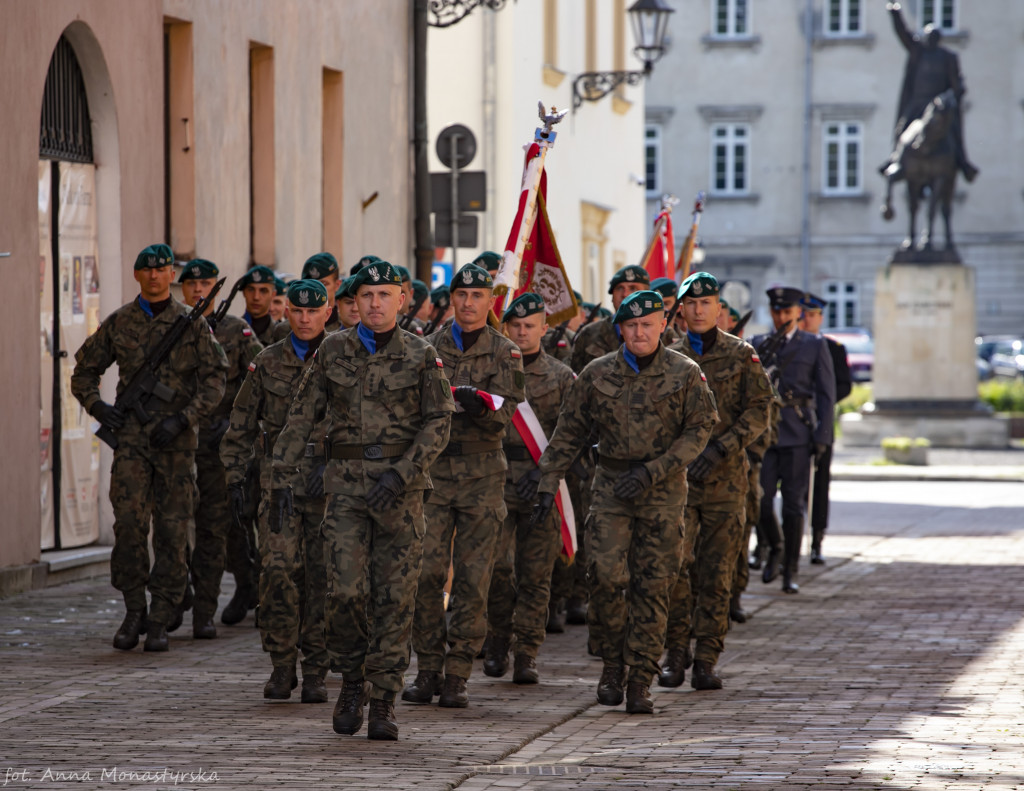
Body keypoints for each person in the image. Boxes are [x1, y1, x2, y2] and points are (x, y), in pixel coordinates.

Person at [270, 262, 454, 739]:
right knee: (346, 593)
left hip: (400, 494)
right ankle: (353, 681)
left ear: (401, 300)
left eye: (384, 294)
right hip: (347, 491)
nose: (374, 303)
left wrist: (403, 473)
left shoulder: (421, 354)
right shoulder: (333, 350)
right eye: (366, 294)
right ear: (355, 301)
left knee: (396, 598)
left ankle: (385, 699)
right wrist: (279, 480)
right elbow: (301, 416)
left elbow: (439, 423)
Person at [529, 290, 717, 714]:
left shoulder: (685, 372)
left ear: (662, 326)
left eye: (647, 325)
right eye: (631, 325)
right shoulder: (596, 374)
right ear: (620, 329)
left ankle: (640, 678)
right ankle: (612, 664)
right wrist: (547, 482)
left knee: (653, 586)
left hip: (663, 492)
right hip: (611, 487)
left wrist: (653, 471)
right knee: (607, 578)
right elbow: (569, 432)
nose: (639, 333)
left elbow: (699, 432)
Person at [71, 243, 227, 652]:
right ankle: (134, 609)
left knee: (174, 534)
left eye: (163, 270)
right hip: (133, 443)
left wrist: (184, 417)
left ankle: (161, 616)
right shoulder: (120, 322)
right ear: (138, 275)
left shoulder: (191, 324)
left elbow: (216, 378)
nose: (156, 275)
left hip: (176, 445)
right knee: (128, 528)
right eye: (148, 269)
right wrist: (99, 407)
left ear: (169, 277)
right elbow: (83, 372)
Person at [403, 263, 525, 709]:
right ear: (451, 299)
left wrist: (478, 405)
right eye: (462, 296)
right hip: (433, 477)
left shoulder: (506, 352)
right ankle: (428, 670)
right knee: (426, 575)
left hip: (481, 477)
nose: (469, 304)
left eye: (478, 297)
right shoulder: (424, 348)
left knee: (474, 580)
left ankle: (457, 674)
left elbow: (505, 415)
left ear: (490, 302)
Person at [221, 279, 331, 702]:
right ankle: (282, 665)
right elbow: (242, 423)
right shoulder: (267, 362)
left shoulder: (344, 360)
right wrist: (234, 477)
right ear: (288, 313)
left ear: (328, 312)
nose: (304, 319)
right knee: (280, 574)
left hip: (328, 487)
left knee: (323, 577)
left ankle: (317, 669)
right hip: (278, 485)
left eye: (313, 311)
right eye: (297, 312)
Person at [661, 273, 772, 691]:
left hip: (725, 481)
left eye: (707, 302)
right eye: (691, 303)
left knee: (717, 572)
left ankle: (706, 658)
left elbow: (760, 412)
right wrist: (685, 455)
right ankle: (675, 652)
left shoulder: (742, 355)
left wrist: (721, 448)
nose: (699, 309)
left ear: (718, 308)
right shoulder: (667, 356)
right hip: (680, 482)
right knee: (675, 568)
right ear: (682, 309)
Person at [484, 293, 575, 685]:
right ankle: (497, 638)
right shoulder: (491, 370)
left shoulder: (561, 376)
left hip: (543, 482)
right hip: (496, 480)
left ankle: (527, 653)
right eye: (515, 326)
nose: (522, 333)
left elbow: (569, 434)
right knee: (498, 568)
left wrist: (545, 475)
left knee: (536, 573)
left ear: (544, 328)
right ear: (506, 328)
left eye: (529, 326)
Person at [177, 259, 263, 638]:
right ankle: (173, 595)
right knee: (173, 527)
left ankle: (204, 611)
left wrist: (236, 424)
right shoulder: (173, 327)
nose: (198, 291)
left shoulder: (236, 330)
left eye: (206, 284)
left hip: (216, 445)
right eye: (191, 285)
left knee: (215, 527)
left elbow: (260, 381)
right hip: (175, 442)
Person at [750, 287, 836, 593]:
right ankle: (774, 546)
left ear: (798, 313)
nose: (782, 318)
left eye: (788, 312)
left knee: (793, 506)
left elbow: (827, 394)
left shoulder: (813, 345)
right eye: (777, 312)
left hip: (798, 433)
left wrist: (823, 435)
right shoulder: (758, 344)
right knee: (759, 501)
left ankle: (790, 569)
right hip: (765, 435)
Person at [883, 2, 977, 182]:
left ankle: (963, 161)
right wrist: (895, 14)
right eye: (928, 37)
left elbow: (956, 83)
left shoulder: (948, 57)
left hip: (939, 106)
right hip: (918, 102)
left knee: (955, 129)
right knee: (903, 128)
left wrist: (955, 94)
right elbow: (903, 33)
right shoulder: (918, 51)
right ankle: (896, 161)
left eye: (933, 38)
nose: (930, 41)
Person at [799, 293, 852, 565]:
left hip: (820, 421)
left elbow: (844, 385)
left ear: (820, 317)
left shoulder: (833, 348)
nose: (806, 319)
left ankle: (817, 539)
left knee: (819, 484)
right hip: (794, 422)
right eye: (803, 314)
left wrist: (821, 399)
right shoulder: (792, 346)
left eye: (812, 314)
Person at [241, 265, 288, 345]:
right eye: (251, 289)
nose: (256, 297)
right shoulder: (228, 331)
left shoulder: (284, 336)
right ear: (244, 292)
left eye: (263, 291)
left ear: (273, 294)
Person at [301, 252, 343, 333]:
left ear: (337, 285)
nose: (316, 290)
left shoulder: (347, 325)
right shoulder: (290, 328)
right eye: (310, 284)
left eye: (323, 284)